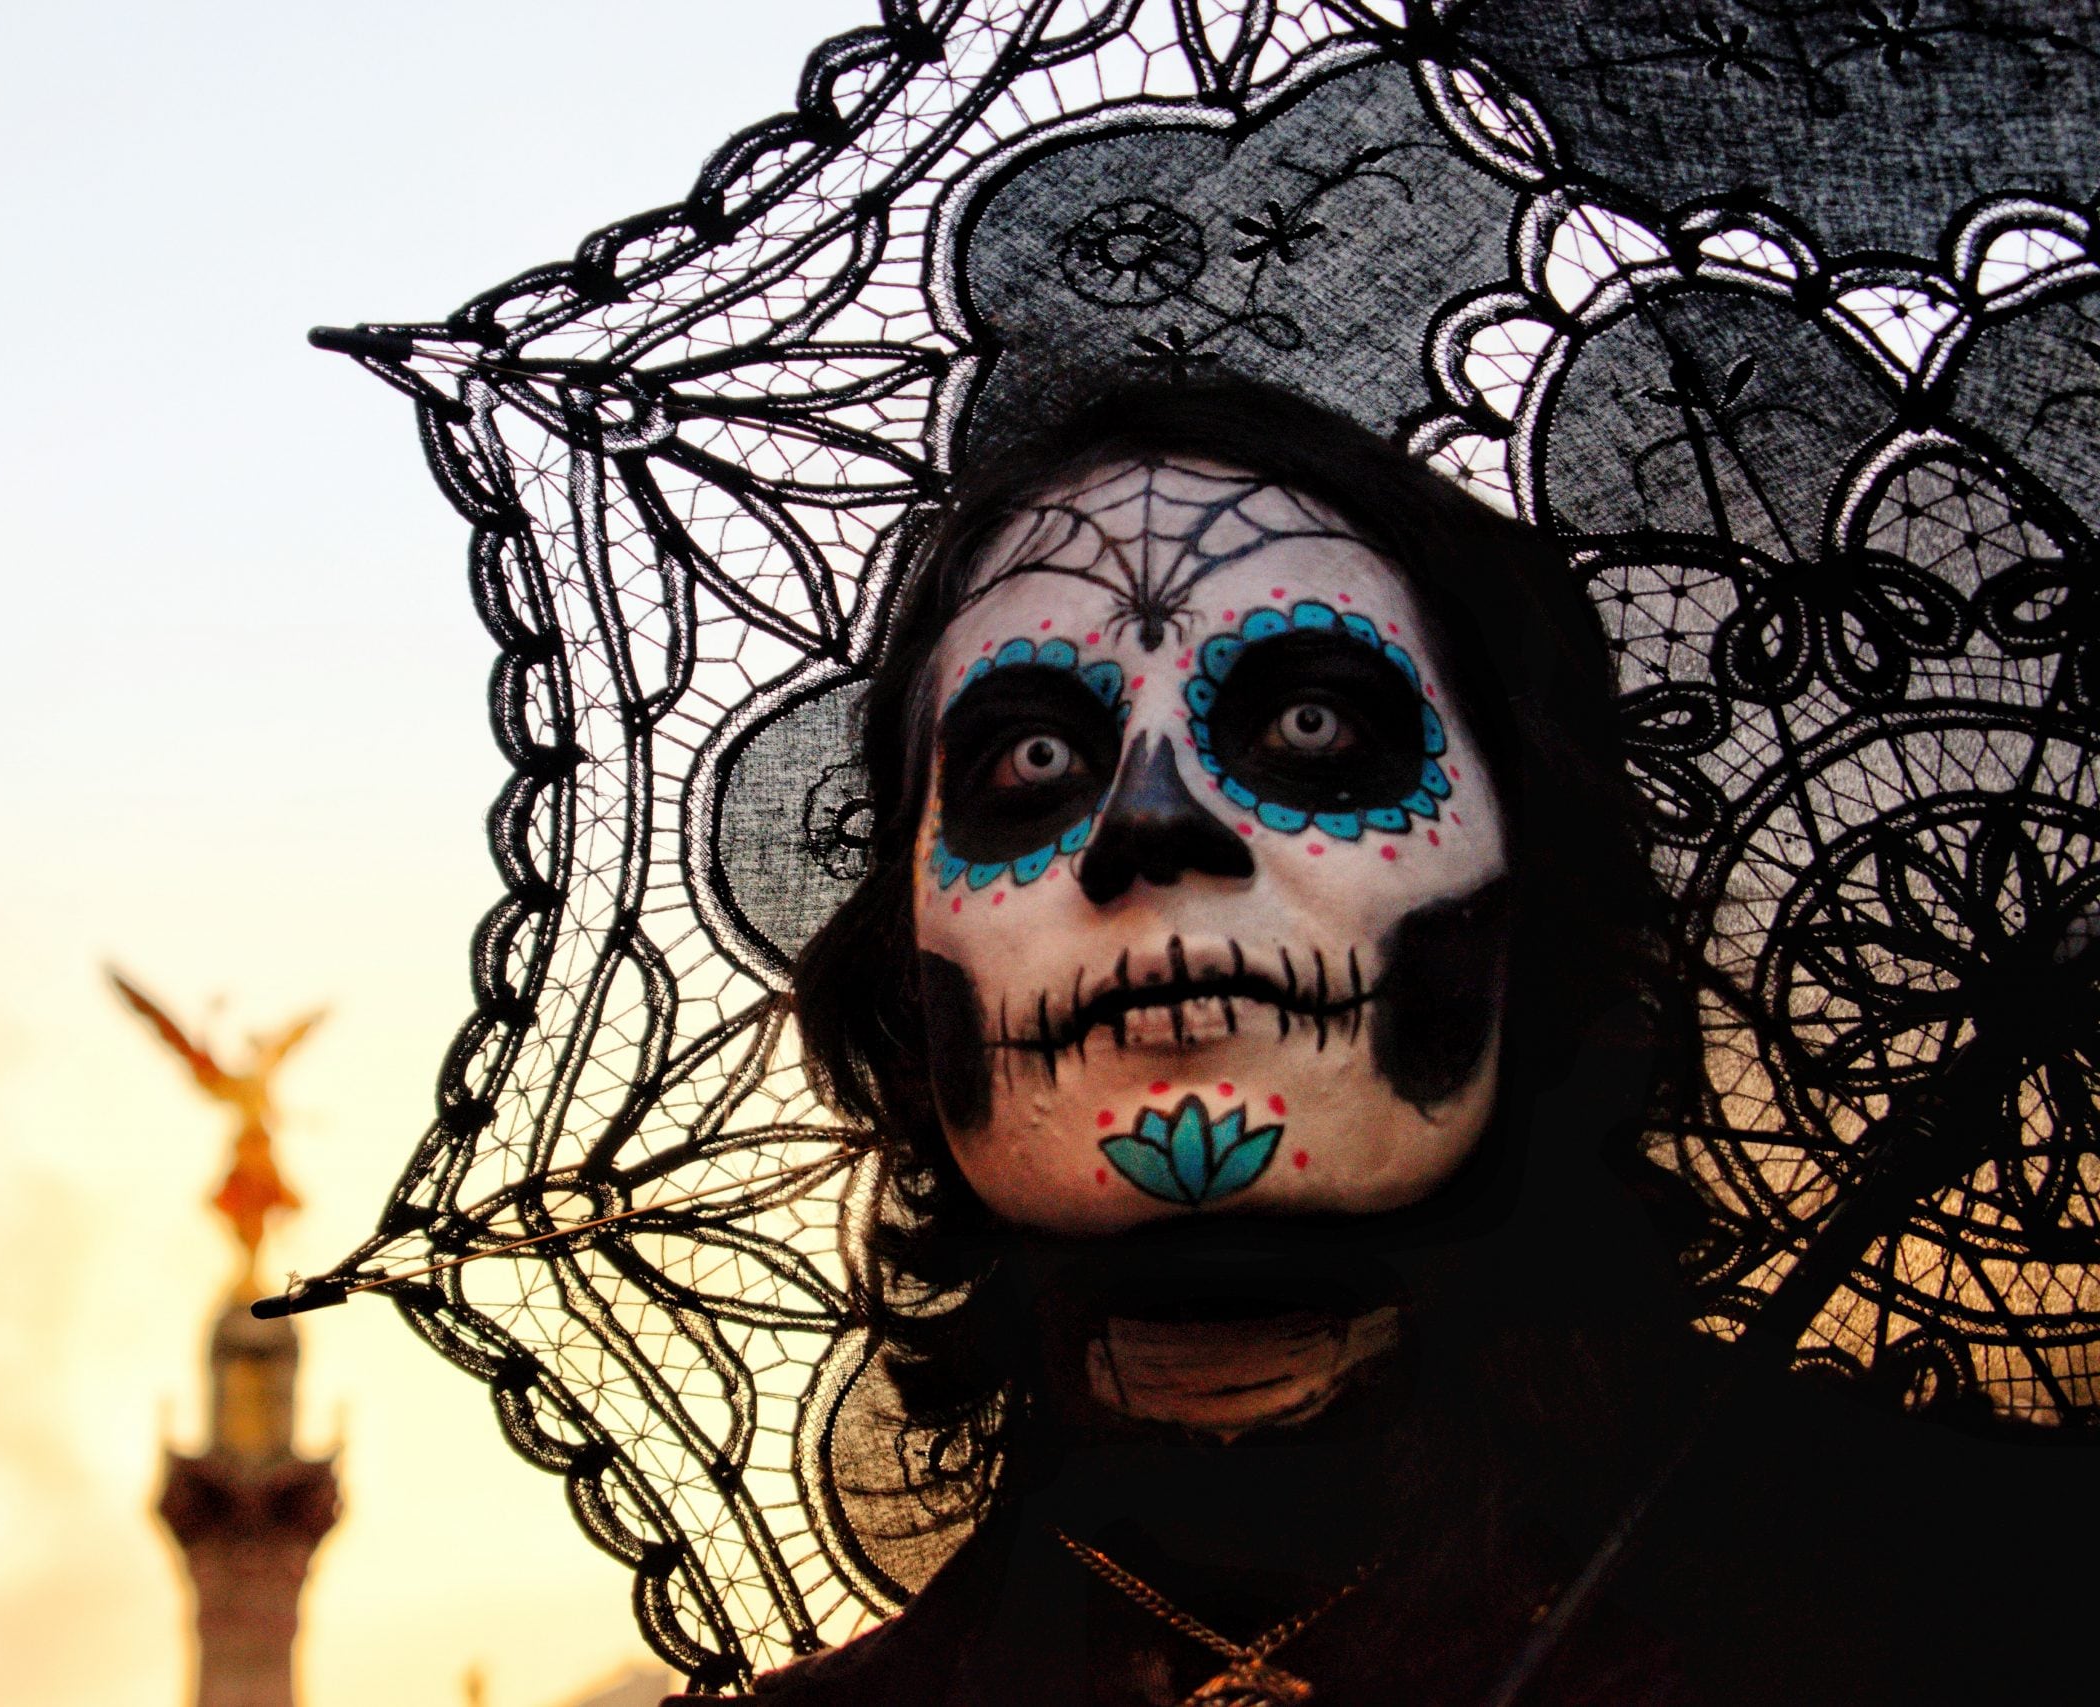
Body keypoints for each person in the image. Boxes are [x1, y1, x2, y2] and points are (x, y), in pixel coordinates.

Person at [688, 383, 2084, 1705]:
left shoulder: (1995, 1611)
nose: (1151, 823)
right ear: (909, 970)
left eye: (1313, 726)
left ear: (1530, 889)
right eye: (1032, 763)